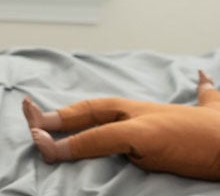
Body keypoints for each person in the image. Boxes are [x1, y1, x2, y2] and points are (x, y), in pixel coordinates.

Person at [23, 71, 220, 180]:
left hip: (159, 138)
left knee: (122, 133)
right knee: (113, 104)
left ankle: (58, 151)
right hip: (156, 112)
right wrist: (206, 86)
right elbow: (211, 97)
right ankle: (49, 119)